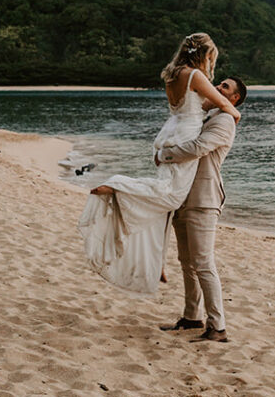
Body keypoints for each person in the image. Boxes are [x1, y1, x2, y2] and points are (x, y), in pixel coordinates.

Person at [77, 33, 240, 295]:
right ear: (204, 55)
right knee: (171, 195)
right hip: (185, 136)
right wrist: (236, 114)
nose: (211, 64)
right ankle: (118, 186)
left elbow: (198, 104)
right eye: (211, 58)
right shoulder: (195, 76)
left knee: (165, 194)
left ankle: (156, 261)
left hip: (171, 133)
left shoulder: (174, 76)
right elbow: (220, 102)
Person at [158, 77, 246, 342]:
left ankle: (217, 326)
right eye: (218, 84)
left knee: (203, 263)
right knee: (186, 262)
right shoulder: (204, 118)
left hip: (204, 199)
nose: (218, 88)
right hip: (183, 196)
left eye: (225, 88)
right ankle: (191, 316)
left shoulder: (224, 121)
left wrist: (163, 155)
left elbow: (197, 148)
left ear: (234, 99)